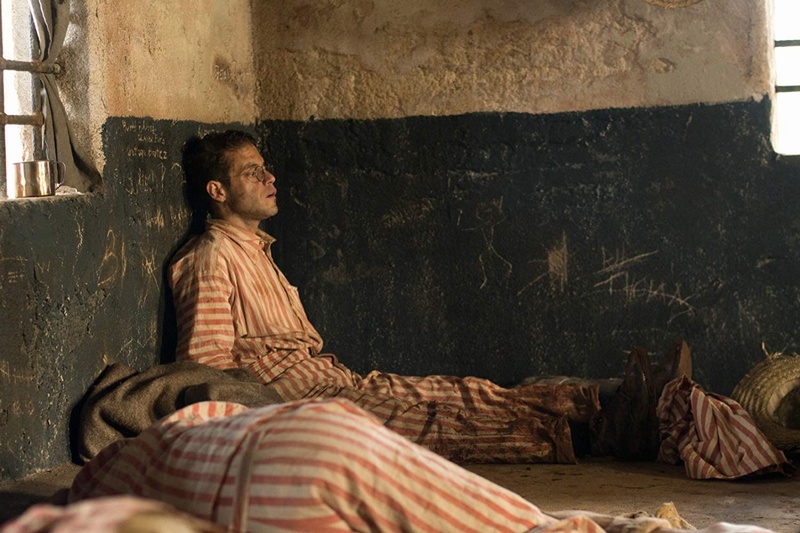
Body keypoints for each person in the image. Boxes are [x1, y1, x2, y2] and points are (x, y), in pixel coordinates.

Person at [166, 130, 678, 464]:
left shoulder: (256, 248)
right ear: (217, 191)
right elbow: (206, 371)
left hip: (337, 380)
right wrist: (284, 425)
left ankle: (611, 399)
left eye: (265, 167)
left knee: (461, 392)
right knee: (437, 425)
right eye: (252, 172)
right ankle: (606, 434)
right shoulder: (210, 256)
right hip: (303, 402)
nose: (270, 177)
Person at [3, 398, 774, 533]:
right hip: (300, 442)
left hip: (277, 469)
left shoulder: (94, 498)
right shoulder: (136, 458)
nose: (268, 179)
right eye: (249, 171)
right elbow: (215, 398)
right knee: (520, 523)